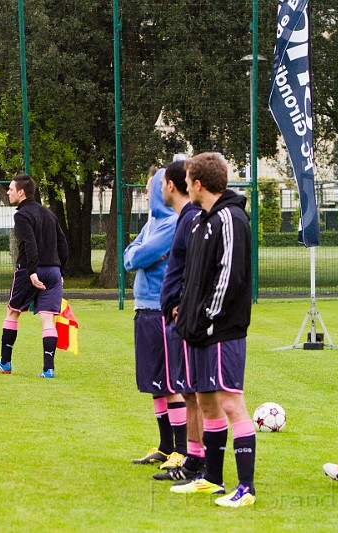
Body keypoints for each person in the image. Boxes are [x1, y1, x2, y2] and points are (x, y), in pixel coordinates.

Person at [169, 152, 257, 508]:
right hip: (199, 330)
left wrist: (204, 318)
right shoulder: (202, 220)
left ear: (197, 184)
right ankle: (212, 480)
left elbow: (230, 278)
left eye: (188, 179)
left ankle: (246, 489)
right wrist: (184, 310)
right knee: (206, 402)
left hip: (221, 330)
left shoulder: (231, 219)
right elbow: (193, 276)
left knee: (231, 402)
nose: (185, 184)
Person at [123, 169, 186, 470]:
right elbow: (129, 256)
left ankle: (182, 450)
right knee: (155, 384)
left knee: (171, 382)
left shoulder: (173, 224)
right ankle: (165, 446)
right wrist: (139, 253)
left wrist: (140, 254)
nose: (147, 194)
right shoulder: (152, 223)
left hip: (161, 310)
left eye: (152, 188)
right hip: (144, 311)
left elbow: (139, 257)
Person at [152, 160, 205, 483]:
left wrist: (182, 303)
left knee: (197, 393)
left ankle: (198, 462)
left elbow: (197, 267)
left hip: (184, 318)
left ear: (172, 185)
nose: (159, 190)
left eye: (161, 184)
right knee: (187, 392)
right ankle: (193, 460)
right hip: (176, 317)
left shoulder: (190, 220)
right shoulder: (186, 219)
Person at [0, 174, 69, 378]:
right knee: (48, 320)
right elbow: (63, 245)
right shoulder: (50, 215)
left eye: (10, 189)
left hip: (29, 270)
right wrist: (61, 271)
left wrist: (33, 271)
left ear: (21, 191)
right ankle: (48, 369)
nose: (8, 192)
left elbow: (29, 244)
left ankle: (5, 363)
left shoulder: (21, 215)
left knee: (12, 312)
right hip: (53, 271)